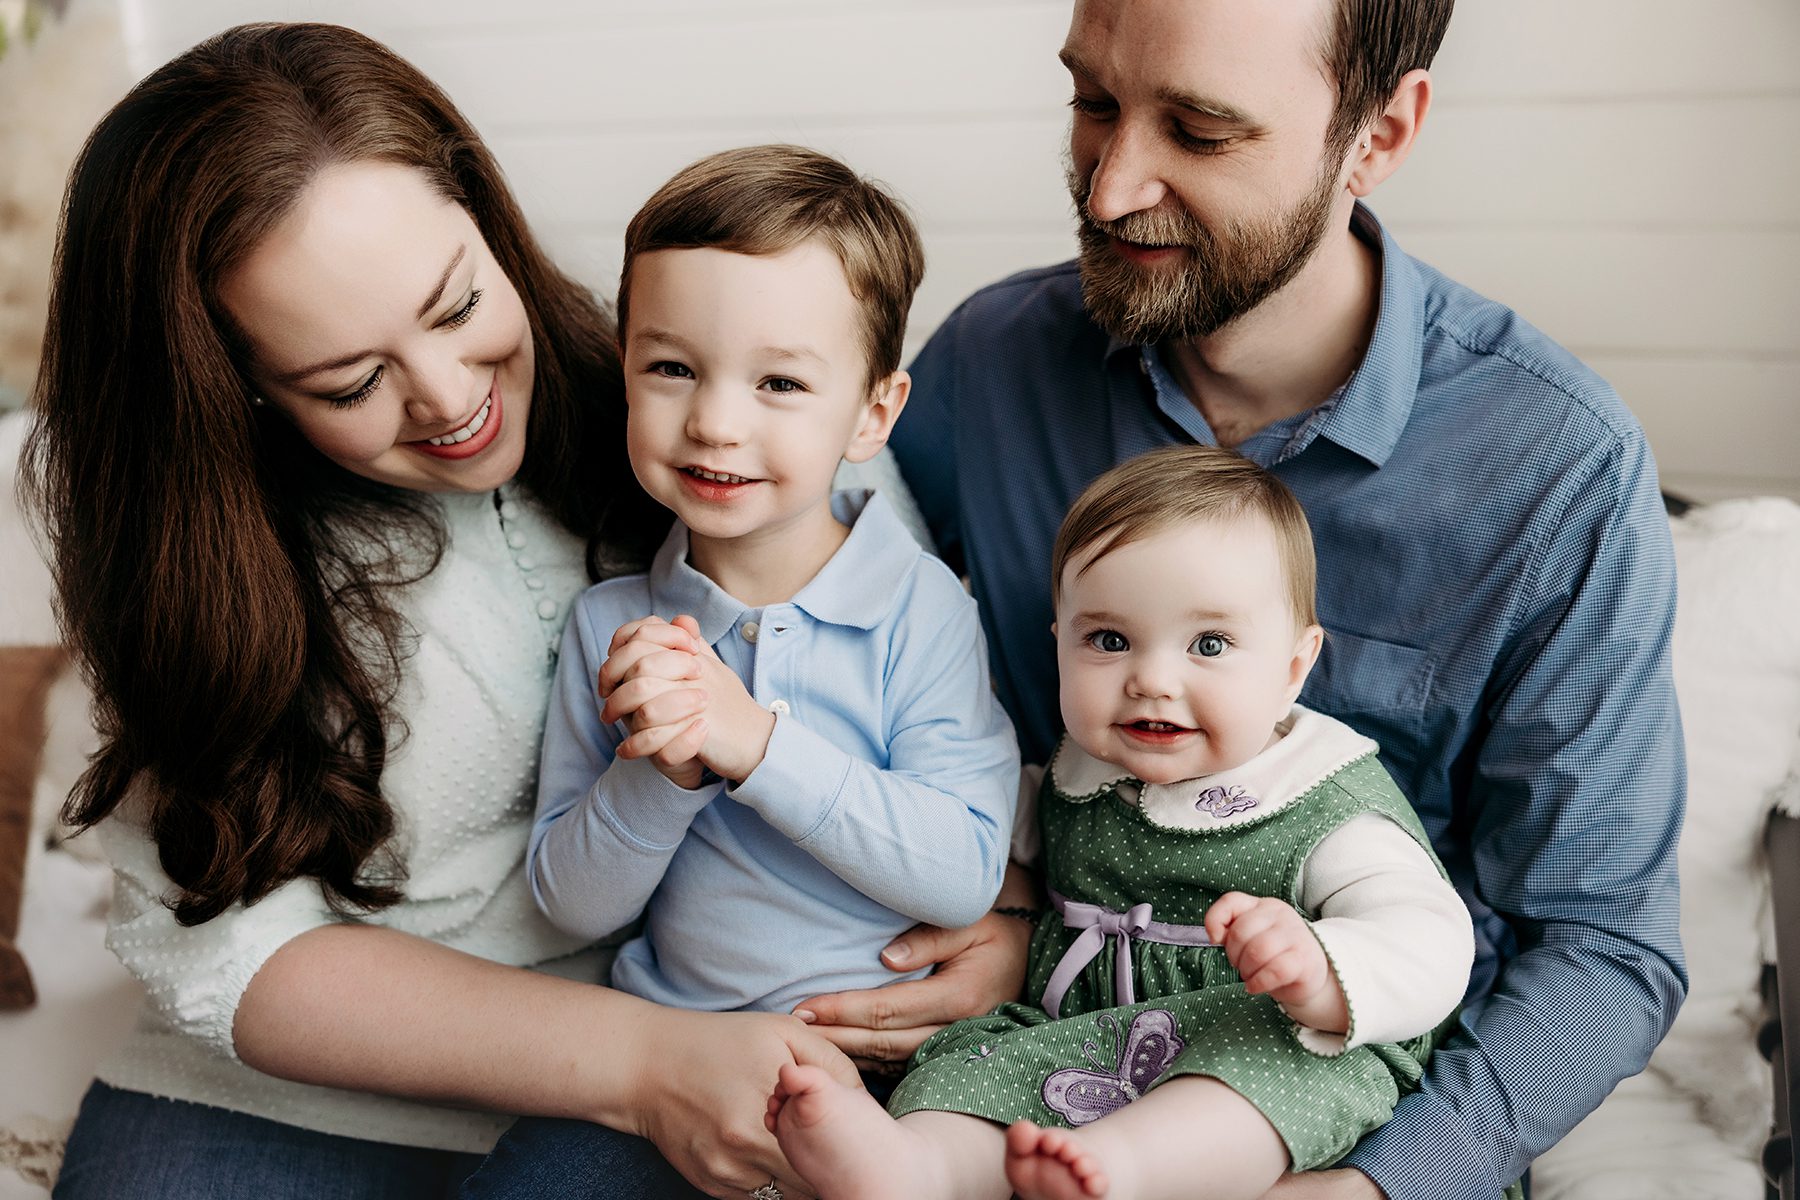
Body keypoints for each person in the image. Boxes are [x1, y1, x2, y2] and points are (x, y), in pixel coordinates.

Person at [23, 25, 1026, 1200]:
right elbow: (229, 958)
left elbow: (938, 744)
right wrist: (647, 1058)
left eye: (456, 307)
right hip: (307, 1096)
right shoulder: (204, 569)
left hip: (709, 1049)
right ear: (230, 384)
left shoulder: (704, 397)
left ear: (489, 226)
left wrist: (1001, 928)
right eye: (349, 381)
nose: (451, 401)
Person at [877, 1, 1687, 1197]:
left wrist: (1374, 1189)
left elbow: (1607, 948)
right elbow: (860, 651)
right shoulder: (989, 365)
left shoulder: (1557, 472)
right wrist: (1007, 907)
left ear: (1380, 132)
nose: (1108, 191)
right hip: (1032, 1067)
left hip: (1340, 1115)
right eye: (1094, 104)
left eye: (1202, 133)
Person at [768, 445, 1474, 1200]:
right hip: (1078, 1042)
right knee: (974, 1066)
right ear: (1060, 645)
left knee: (1255, 1083)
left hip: (1261, 1040)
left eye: (1210, 644)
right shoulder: (1071, 777)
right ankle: (917, 1167)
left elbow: (1431, 935)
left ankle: (1126, 1173)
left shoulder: (1319, 798)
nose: (1151, 680)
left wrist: (1323, 970)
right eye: (1109, 640)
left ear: (1294, 668)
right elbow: (952, 829)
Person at [528, 144, 1020, 1028]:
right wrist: (666, 773)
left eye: (780, 382)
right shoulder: (612, 625)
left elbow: (965, 872)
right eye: (672, 368)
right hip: (676, 1046)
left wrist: (755, 742)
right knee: (532, 1179)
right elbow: (569, 905)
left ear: (872, 413)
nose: (715, 423)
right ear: (625, 366)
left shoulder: (922, 606)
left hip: (893, 1062)